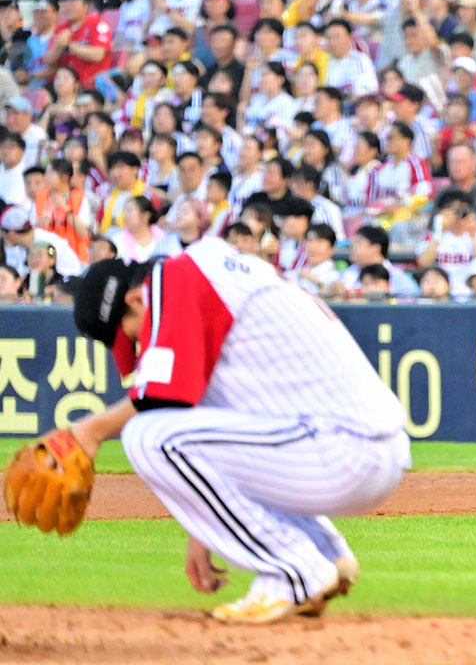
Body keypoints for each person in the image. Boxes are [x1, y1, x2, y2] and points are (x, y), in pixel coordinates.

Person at [49, 236, 411, 623]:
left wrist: (87, 433)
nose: (139, 345)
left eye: (131, 335)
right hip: (358, 448)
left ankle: (295, 571)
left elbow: (159, 398)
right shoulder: (212, 276)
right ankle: (323, 553)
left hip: (339, 449)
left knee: (147, 436)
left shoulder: (178, 277)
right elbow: (211, 434)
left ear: (137, 299)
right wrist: (204, 529)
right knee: (165, 431)